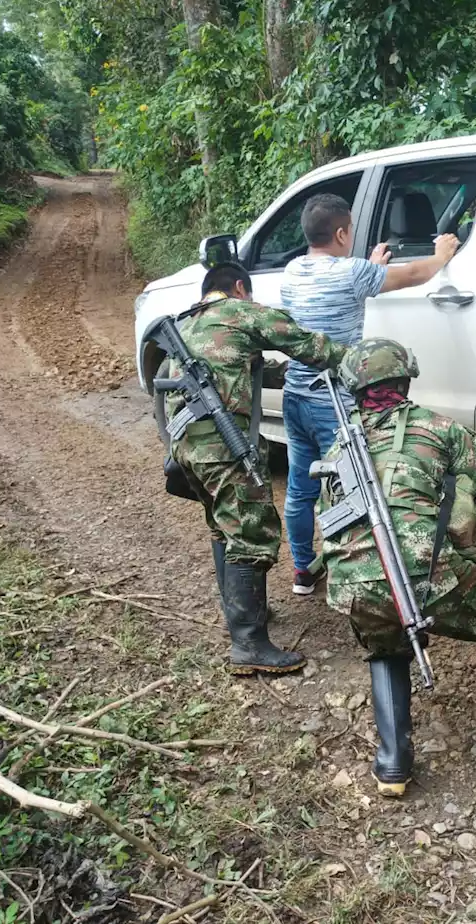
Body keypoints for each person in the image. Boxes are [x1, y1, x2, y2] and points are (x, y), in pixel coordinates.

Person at [318, 338, 476, 797]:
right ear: (405, 378)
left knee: (385, 645)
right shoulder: (441, 429)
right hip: (423, 572)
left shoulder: (342, 446)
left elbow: (329, 518)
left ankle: (393, 764)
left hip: (351, 581)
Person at [165, 262, 350, 676]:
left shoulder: (187, 324)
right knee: (251, 531)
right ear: (239, 288)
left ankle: (243, 616)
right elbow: (307, 343)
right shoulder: (240, 311)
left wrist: (280, 373)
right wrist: (359, 360)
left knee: (224, 527)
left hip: (187, 447)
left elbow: (231, 365)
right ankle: (248, 643)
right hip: (221, 443)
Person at [280, 193, 460, 597]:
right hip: (335, 404)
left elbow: (346, 282)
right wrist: (442, 253)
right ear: (343, 233)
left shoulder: (293, 271)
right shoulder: (352, 273)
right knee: (351, 488)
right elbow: (415, 274)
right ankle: (355, 575)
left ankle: (303, 571)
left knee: (300, 488)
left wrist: (370, 268)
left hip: (295, 397)